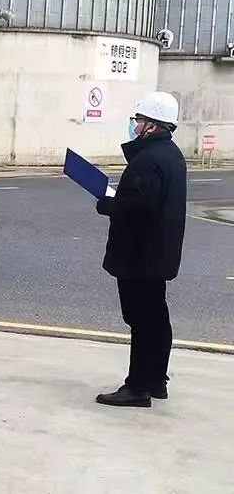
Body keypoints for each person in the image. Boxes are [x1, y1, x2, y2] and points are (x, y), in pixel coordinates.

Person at [94, 92, 186, 408]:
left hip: (140, 254)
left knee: (142, 320)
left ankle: (137, 387)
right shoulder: (171, 154)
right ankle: (156, 380)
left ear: (152, 124)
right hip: (158, 252)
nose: (135, 125)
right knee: (156, 317)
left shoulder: (148, 160)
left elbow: (138, 206)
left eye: (139, 120)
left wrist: (108, 205)